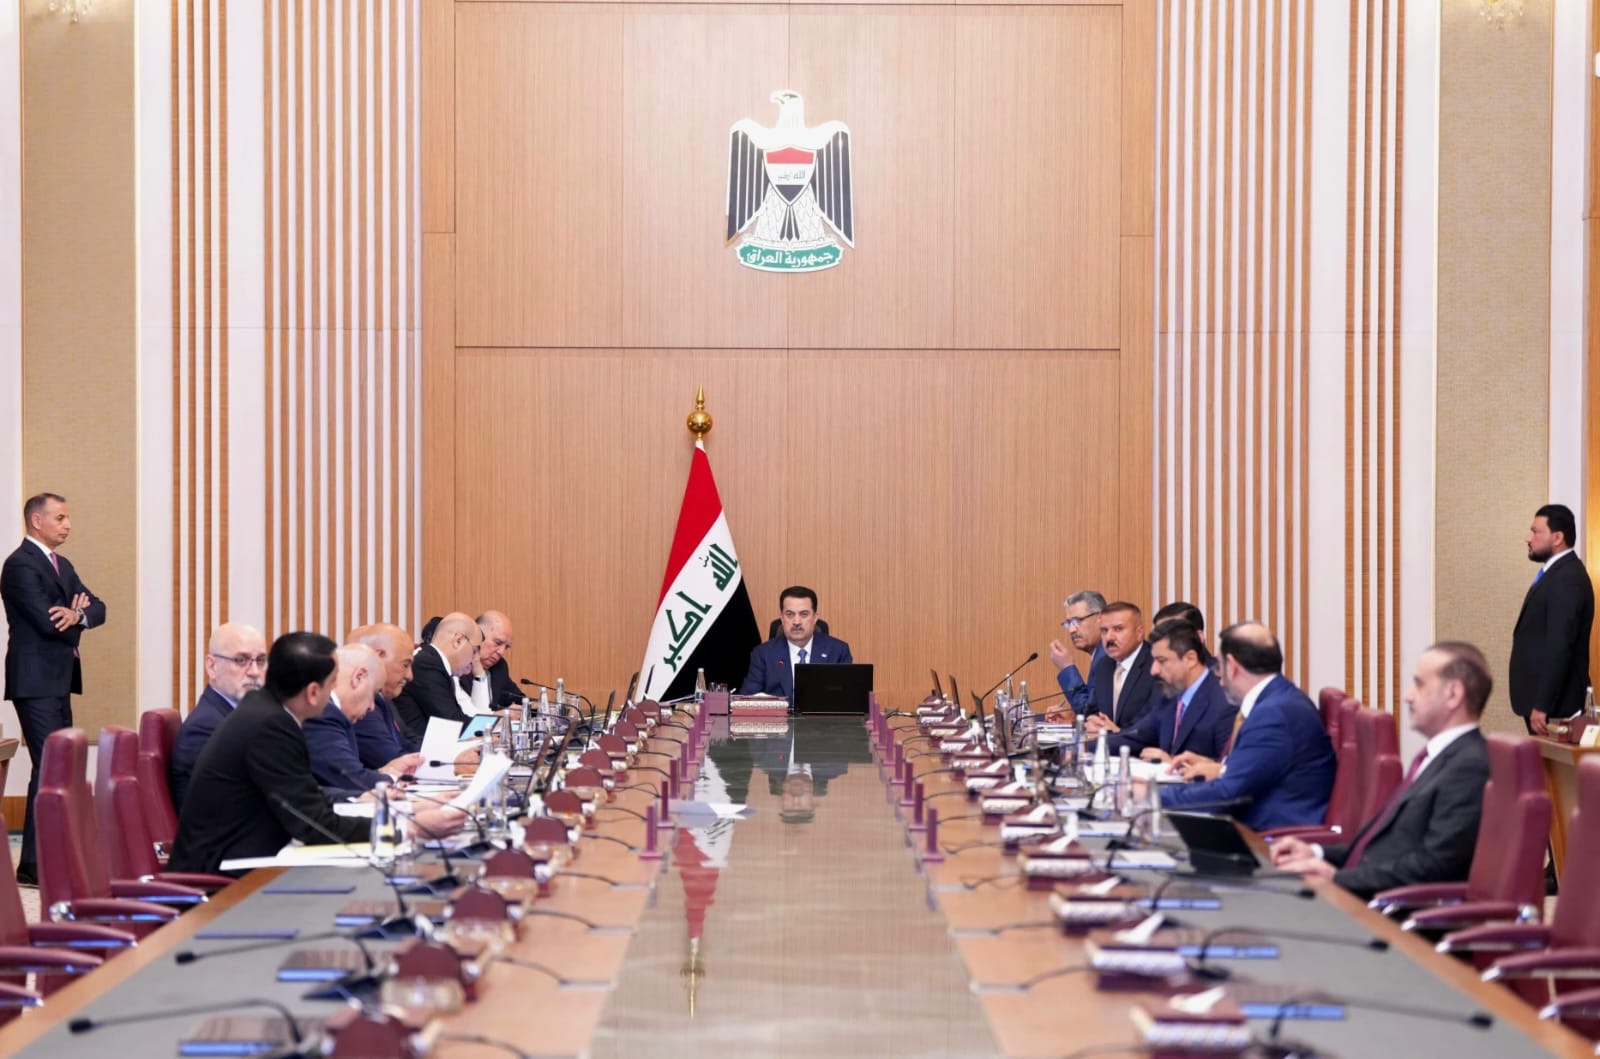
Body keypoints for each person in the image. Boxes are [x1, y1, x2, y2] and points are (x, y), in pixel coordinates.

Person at [167, 632, 466, 873]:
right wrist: (408, 828)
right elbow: (313, 823)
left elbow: (304, 795)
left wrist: (401, 810)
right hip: (228, 878)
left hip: (248, 858)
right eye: (331, 686)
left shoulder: (264, 713)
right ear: (312, 692)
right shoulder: (271, 726)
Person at [1271, 642, 1492, 900]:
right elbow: (1380, 849)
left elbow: (1433, 866)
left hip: (1388, 911)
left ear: (1453, 694)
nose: (1408, 696)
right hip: (1364, 892)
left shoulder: (1470, 766)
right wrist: (1316, 853)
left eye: (1419, 684)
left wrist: (1335, 878)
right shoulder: (1435, 757)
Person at [1, 493, 107, 887]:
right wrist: (76, 615)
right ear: (36, 520)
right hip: (34, 681)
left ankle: (41, 859)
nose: (68, 525)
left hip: (58, 679)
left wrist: (76, 613)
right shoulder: (19, 565)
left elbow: (99, 608)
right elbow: (48, 623)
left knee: (56, 765)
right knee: (49, 765)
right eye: (60, 517)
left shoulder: (62, 564)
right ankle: (34, 863)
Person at [1160, 622, 1336, 831]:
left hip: (1270, 835)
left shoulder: (1273, 715)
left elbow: (1226, 795)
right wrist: (1221, 768)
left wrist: (1151, 795)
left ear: (1232, 666)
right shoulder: (1279, 699)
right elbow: (1257, 771)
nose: (1220, 680)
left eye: (1219, 668)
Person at [1509, 503, 1594, 735]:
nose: (1528, 538)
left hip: (1556, 707)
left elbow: (1560, 645)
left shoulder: (1568, 579)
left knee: (1552, 761)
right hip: (1545, 703)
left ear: (1557, 538)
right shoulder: (1557, 573)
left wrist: (1542, 704)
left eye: (1535, 532)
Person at [1103, 620, 1235, 762]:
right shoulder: (1169, 696)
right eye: (1153, 661)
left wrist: (1173, 764)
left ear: (1190, 659)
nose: (1153, 670)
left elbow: (1230, 768)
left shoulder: (1225, 702)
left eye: (1161, 661)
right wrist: (1087, 746)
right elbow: (1135, 737)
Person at [170, 622, 268, 812]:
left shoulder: (243, 718)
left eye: (261, 660)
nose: (255, 672)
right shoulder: (205, 729)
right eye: (241, 660)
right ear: (212, 666)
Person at [304, 643, 422, 790]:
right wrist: (393, 777)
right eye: (374, 694)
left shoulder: (332, 712)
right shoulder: (323, 713)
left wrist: (381, 773)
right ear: (358, 677)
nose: (372, 707)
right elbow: (350, 779)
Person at [738, 586, 852, 699]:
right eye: (790, 614)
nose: (796, 622)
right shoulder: (763, 654)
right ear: (782, 618)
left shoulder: (838, 651)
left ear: (815, 618)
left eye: (804, 614)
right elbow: (746, 699)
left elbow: (848, 698)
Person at [391, 612, 485, 741]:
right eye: (474, 651)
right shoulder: (427, 664)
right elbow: (452, 723)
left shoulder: (437, 663)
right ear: (458, 640)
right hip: (419, 747)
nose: (476, 658)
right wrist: (493, 727)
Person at [1080, 602, 1161, 732]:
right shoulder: (1104, 665)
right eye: (1104, 631)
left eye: (1118, 629)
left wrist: (1117, 732)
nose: (1109, 637)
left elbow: (1155, 724)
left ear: (1139, 633)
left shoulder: (1156, 665)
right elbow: (1093, 712)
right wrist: (1083, 722)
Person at [347, 622, 420, 767]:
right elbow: (390, 758)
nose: (410, 676)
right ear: (378, 657)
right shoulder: (360, 700)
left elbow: (407, 743)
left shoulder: (383, 698)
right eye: (405, 665)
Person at [1047, 590, 1105, 717]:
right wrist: (1073, 717)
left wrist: (1067, 668)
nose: (1072, 630)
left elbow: (1090, 714)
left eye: (1077, 621)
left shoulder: (1106, 656)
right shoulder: (1099, 653)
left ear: (1100, 619)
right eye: (1068, 623)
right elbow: (1096, 710)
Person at [461, 610, 520, 708]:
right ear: (478, 634)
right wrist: (498, 715)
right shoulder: (458, 666)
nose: (501, 652)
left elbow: (517, 699)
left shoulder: (500, 667)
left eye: (506, 647)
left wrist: (535, 706)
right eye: (498, 642)